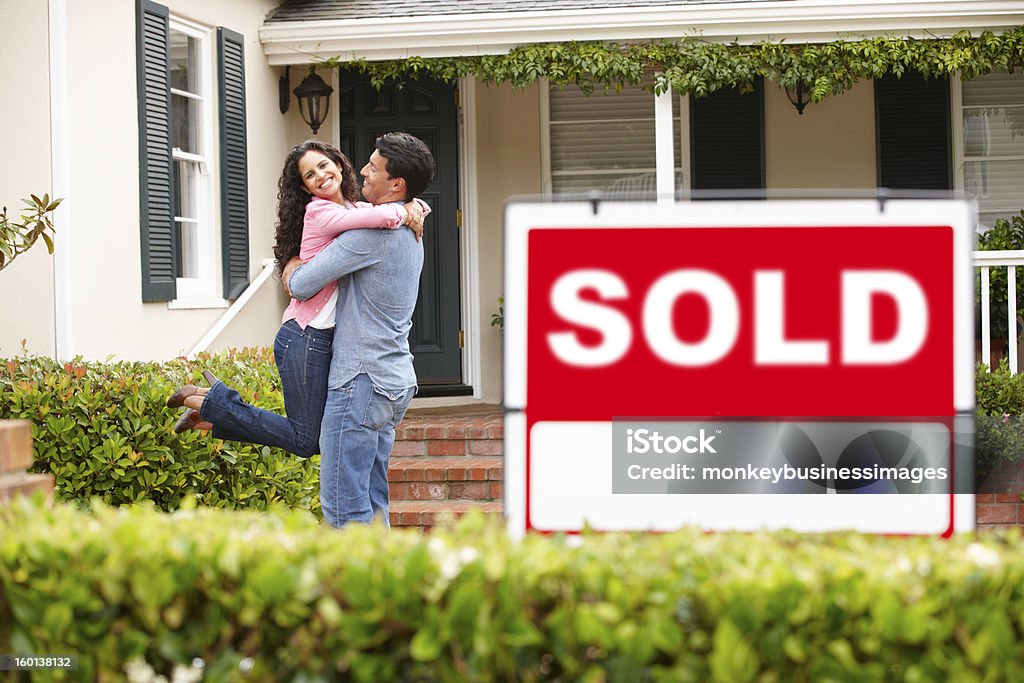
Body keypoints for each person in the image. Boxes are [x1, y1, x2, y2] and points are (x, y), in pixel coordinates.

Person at [166, 140, 428, 462]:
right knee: (308, 440)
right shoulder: (323, 212)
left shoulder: (358, 210)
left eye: (323, 165)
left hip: (323, 339)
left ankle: (211, 415)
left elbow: (375, 216)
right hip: (306, 337)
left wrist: (416, 207)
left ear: (339, 164)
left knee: (313, 438)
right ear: (305, 188)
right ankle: (215, 403)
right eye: (309, 175)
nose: (319, 175)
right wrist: (407, 210)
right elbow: (378, 221)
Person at [282, 132, 433, 527]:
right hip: (394, 380)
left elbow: (301, 284)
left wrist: (292, 262)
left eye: (372, 167)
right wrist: (414, 206)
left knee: (343, 509)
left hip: (360, 381)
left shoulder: (369, 236)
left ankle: (354, 586)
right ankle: (383, 583)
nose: (361, 170)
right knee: (373, 501)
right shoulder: (407, 226)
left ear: (396, 184)